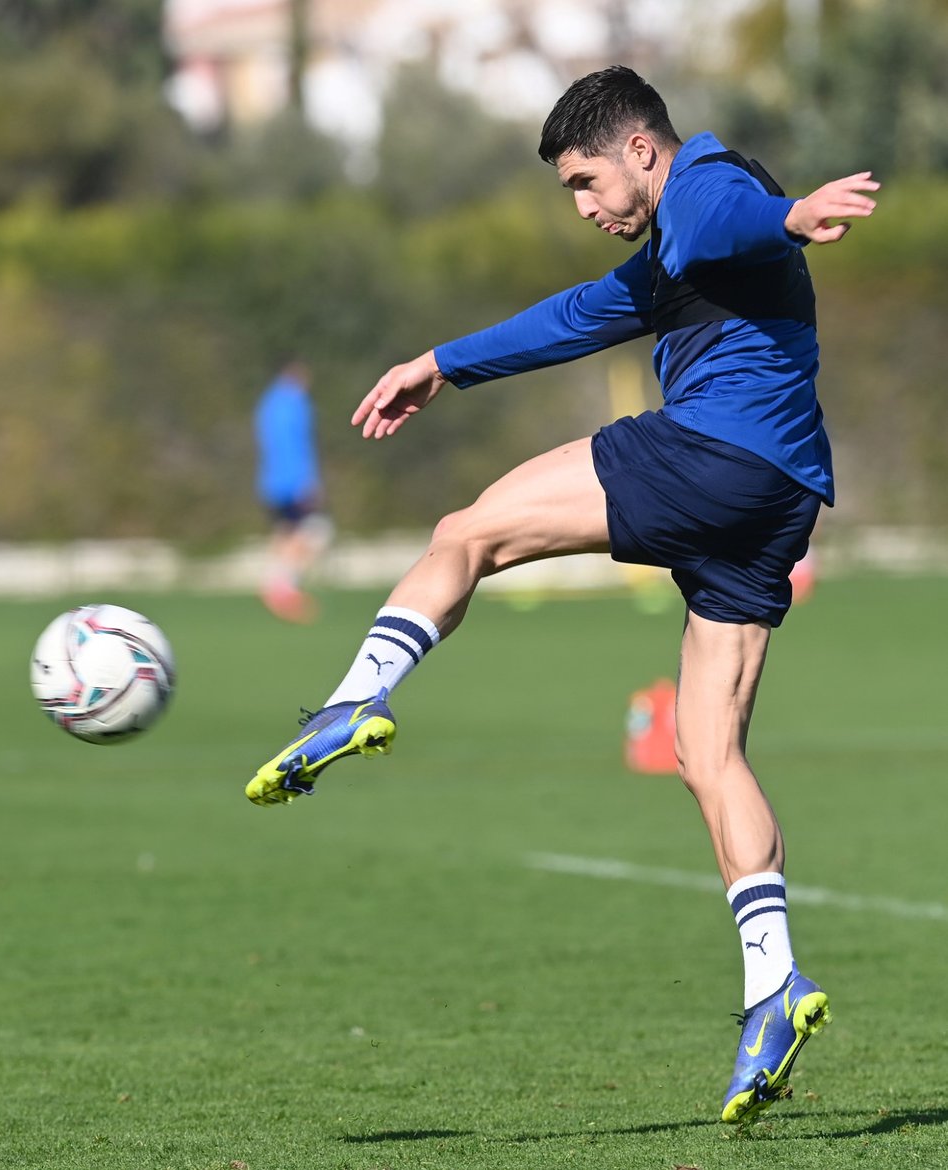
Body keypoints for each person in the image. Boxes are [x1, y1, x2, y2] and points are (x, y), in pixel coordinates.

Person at [246, 66, 878, 1123]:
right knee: (706, 753)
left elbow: (734, 222)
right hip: (779, 497)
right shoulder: (667, 252)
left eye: (586, 181)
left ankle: (359, 695)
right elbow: (581, 316)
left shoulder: (704, 185)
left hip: (715, 453)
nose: (585, 207)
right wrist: (442, 362)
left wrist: (791, 216)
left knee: (464, 533)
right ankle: (774, 985)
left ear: (641, 149)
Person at [252, 360, 332, 623]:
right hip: (292, 481)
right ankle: (283, 588)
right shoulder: (294, 404)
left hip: (272, 481)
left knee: (286, 531)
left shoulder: (269, 402)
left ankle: (276, 586)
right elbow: (296, 446)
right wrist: (306, 482)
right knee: (316, 530)